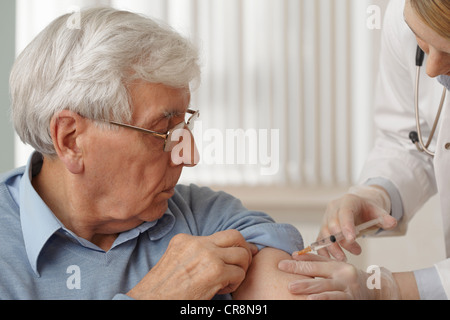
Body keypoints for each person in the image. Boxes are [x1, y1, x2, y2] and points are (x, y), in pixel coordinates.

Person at [1, 7, 309, 300]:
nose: (190, 157)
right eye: (163, 132)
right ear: (71, 139)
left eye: (184, 126)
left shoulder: (203, 217)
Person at [278, 0, 450, 300]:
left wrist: (388, 289)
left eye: (449, 52)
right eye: (423, 45)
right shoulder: (404, 15)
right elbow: (412, 139)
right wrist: (376, 194)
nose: (432, 69)